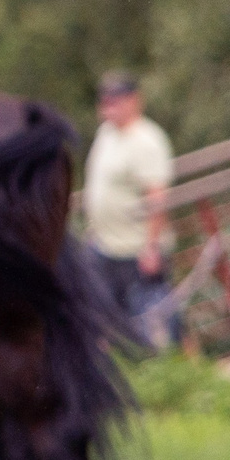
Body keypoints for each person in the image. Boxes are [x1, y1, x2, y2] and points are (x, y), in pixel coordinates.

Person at [82, 71, 173, 345]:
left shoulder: (146, 140)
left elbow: (156, 197)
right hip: (104, 246)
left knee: (149, 324)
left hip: (137, 250)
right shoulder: (106, 134)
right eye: (106, 102)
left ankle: (164, 372)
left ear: (134, 101)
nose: (110, 108)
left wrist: (152, 246)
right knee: (109, 321)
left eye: (117, 101)